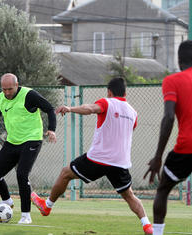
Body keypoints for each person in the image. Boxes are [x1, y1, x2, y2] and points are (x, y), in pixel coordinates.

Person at [31, 77, 153, 234]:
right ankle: (147, 225)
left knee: (65, 173)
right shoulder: (133, 112)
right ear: (125, 92)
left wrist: (70, 108)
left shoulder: (107, 102)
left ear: (109, 92)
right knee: (129, 195)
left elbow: (90, 108)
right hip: (120, 162)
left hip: (99, 158)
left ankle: (46, 206)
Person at [0, 73, 57, 224]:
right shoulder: (0, 98)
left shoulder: (29, 95)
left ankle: (26, 216)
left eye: (10, 89)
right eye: (4, 89)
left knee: (21, 174)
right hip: (12, 141)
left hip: (32, 140)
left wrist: (52, 129)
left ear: (17, 85)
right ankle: (7, 201)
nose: (7, 93)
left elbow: (50, 109)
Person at [144, 40, 192, 235]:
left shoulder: (172, 81)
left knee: (163, 189)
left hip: (186, 148)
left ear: (179, 61)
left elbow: (169, 116)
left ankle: (158, 233)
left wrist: (158, 157)